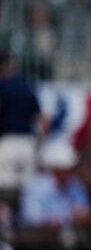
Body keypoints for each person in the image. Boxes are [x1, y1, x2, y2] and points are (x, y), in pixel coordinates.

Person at [0, 52, 49, 190]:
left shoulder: (2, 86)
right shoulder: (27, 87)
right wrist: (40, 147)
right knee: (27, 192)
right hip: (27, 144)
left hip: (6, 143)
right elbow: (44, 121)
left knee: (4, 191)